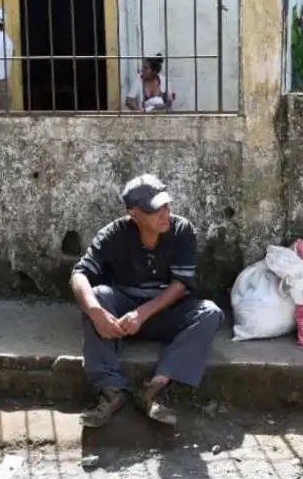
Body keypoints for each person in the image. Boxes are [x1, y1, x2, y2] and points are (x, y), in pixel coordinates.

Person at [70, 174, 224, 428]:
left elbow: (179, 285)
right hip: (122, 317)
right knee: (96, 296)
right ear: (134, 214)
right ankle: (111, 391)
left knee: (210, 313)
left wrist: (142, 314)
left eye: (166, 206)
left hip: (166, 314)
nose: (164, 214)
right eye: (154, 211)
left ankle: (154, 389)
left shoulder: (182, 230)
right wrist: (96, 311)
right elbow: (79, 274)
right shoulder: (114, 234)